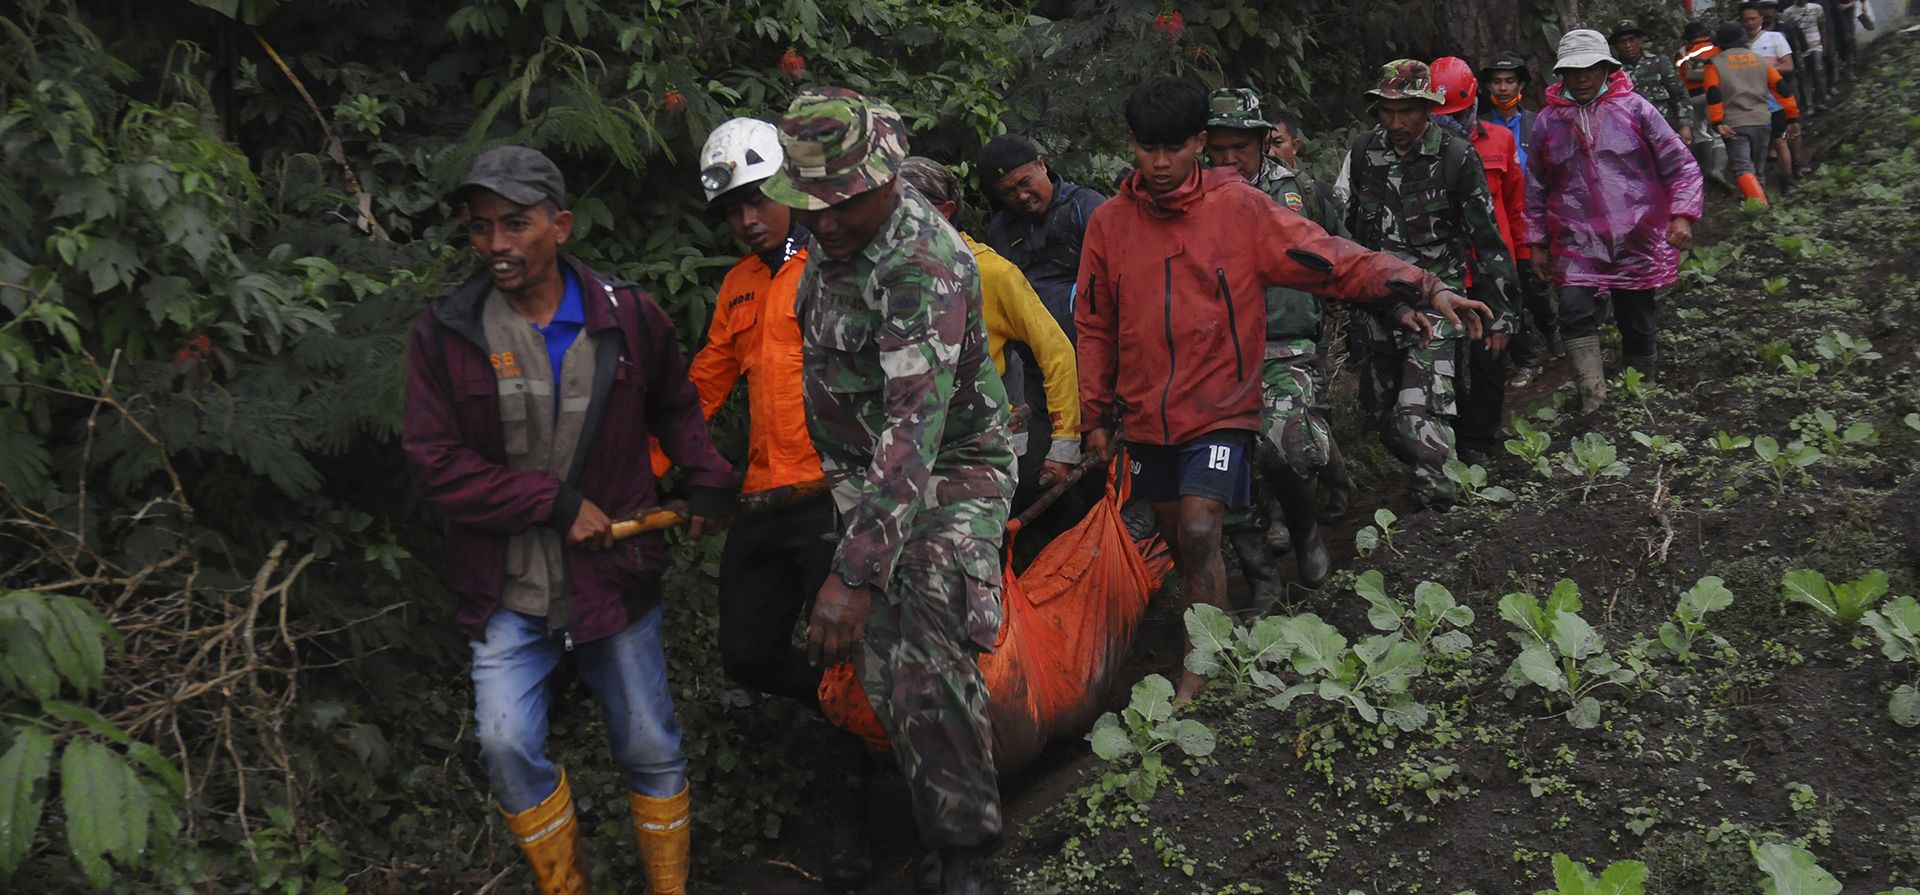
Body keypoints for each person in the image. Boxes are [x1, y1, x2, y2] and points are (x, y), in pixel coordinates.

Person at [1076, 76, 1494, 703]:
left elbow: (1333, 258)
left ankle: (1200, 666)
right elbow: (1095, 323)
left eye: (1173, 149)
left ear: (1198, 143)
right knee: (1179, 538)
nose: (1159, 165)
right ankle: (1214, 627)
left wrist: (1424, 286)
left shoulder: (1241, 210)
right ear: (1131, 146)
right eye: (1146, 149)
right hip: (1147, 414)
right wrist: (1093, 415)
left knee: (1197, 528)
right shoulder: (1109, 225)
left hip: (1219, 406)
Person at [403, 146, 735, 895]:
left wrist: (709, 478)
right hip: (506, 586)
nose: (496, 245)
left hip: (613, 580)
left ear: (560, 225)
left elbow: (676, 406)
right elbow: (434, 463)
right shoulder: (447, 332)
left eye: (515, 225)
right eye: (481, 228)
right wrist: (549, 503)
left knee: (649, 744)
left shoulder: (627, 316)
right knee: (504, 740)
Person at [761, 87, 1016, 895]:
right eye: (810, 204)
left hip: (950, 467)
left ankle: (967, 848)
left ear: (884, 178)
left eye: (842, 202)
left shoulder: (922, 263)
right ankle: (927, 810)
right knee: (882, 666)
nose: (823, 220)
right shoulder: (826, 254)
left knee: (928, 636)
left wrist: (854, 570)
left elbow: (916, 433)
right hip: (866, 480)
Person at [678, 118, 878, 890]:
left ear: (790, 189)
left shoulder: (836, 268)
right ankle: (862, 720)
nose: (747, 219)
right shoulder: (739, 285)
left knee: (838, 663)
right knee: (749, 653)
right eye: (733, 209)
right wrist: (653, 469)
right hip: (763, 501)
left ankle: (852, 826)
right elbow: (701, 389)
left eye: (758, 200)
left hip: (831, 499)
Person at [1337, 60, 1520, 508]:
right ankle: (1443, 464)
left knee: (1420, 410)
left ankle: (1439, 514)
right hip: (1380, 302)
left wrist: (1502, 314)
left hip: (1440, 303)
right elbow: (1350, 235)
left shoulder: (1457, 156)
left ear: (1428, 108)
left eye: (1408, 112)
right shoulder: (1364, 153)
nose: (1396, 123)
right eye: (1387, 111)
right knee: (1382, 416)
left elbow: (1488, 241)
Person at [1203, 87, 1343, 604]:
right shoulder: (1191, 197)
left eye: (1241, 144)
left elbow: (1337, 251)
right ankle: (1260, 577)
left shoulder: (1295, 188)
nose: (1230, 156)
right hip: (1216, 348)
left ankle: (1305, 531)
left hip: (1285, 339)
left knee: (1287, 444)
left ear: (1263, 141)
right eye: (1220, 146)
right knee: (1224, 462)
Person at [1524, 30, 1705, 411]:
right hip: (1576, 240)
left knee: (1635, 318)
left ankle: (1641, 395)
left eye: (1591, 69)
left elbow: (1680, 165)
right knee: (1573, 311)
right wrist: (1535, 243)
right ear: (1562, 74)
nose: (1582, 78)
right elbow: (1536, 185)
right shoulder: (1547, 122)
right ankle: (1593, 401)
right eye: (1574, 71)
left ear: (1607, 68)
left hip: (1635, 236)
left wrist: (1682, 216)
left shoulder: (1636, 109)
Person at [896, 155, 1082, 491]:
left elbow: (1057, 353)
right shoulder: (885, 273)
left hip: (977, 451)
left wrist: (1063, 445)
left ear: (945, 211)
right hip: (907, 451)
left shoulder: (991, 273)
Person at [1427, 57, 1526, 467]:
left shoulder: (1501, 141)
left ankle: (1478, 444)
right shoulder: (1419, 151)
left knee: (1489, 357)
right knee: (1444, 361)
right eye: (1441, 116)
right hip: (1441, 273)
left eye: (1456, 114)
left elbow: (1516, 206)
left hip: (1489, 270)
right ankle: (1455, 432)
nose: (1449, 124)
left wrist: (1523, 256)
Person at [1480, 51, 1566, 383]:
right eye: (1497, 82)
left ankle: (1553, 330)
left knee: (1538, 286)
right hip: (1499, 222)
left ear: (1521, 84)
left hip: (1539, 217)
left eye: (1509, 81)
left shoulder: (1539, 122)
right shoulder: (1480, 129)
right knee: (1505, 291)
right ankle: (1526, 359)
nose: (1503, 88)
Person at [979, 134, 1107, 341]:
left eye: (1024, 182)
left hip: (1092, 341)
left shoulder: (1085, 207)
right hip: (1032, 352)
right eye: (1008, 192)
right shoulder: (1000, 229)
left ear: (1041, 165)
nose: (1022, 196)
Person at [1705, 19, 1802, 203]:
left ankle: (1759, 209)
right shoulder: (1760, 60)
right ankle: (1761, 206)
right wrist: (1792, 117)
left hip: (1734, 123)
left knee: (1743, 169)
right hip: (1762, 120)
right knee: (1758, 169)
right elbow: (1781, 88)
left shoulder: (1714, 63)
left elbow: (1713, 93)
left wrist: (1717, 122)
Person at [1743, 1, 1800, 187]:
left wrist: (1763, 69)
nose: (1750, 23)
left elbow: (1788, 65)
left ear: (1761, 18)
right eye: (1746, 20)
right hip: (1750, 100)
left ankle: (1790, 176)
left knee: (1781, 139)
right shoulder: (1739, 43)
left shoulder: (1775, 37)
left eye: (1753, 19)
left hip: (1776, 96)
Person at [1612, 20, 1694, 142]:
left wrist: (1685, 125)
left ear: (1640, 41)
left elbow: (1680, 95)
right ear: (1616, 46)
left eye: (1631, 40)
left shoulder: (1659, 63)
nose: (1628, 45)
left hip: (1667, 131)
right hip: (1632, 137)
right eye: (1622, 42)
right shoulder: (1612, 71)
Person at [1677, 20, 1733, 186]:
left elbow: (1681, 74)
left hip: (1692, 97)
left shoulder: (1683, 52)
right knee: (1718, 133)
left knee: (1701, 132)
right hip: (1713, 95)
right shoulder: (1717, 47)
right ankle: (1718, 171)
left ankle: (1706, 171)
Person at [1782, 0, 1832, 112]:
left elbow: (1822, 26)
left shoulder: (1816, 8)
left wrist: (1824, 45)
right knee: (1805, 76)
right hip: (1800, 49)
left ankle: (1820, 99)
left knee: (1818, 71)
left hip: (1816, 44)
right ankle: (1810, 105)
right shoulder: (1788, 13)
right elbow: (1788, 32)